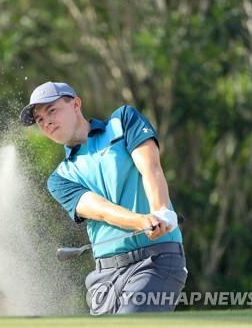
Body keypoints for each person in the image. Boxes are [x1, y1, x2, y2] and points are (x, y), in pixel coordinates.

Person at [20, 81, 187, 314]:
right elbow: (101, 210)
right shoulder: (59, 178)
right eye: (39, 120)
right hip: (104, 275)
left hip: (155, 261)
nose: (46, 121)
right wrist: (142, 221)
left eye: (52, 110)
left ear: (76, 104)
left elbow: (151, 168)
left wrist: (160, 212)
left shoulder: (123, 121)